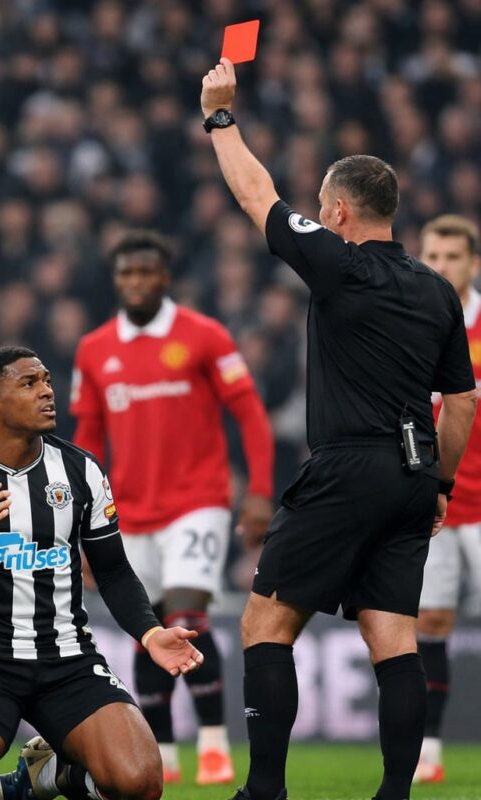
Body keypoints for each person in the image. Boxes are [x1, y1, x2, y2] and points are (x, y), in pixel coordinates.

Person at [199, 60, 477, 800]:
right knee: (393, 638)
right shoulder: (438, 291)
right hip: (415, 478)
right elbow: (464, 403)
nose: (319, 219)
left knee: (266, 622)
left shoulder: (339, 265)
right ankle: (394, 794)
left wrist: (220, 117)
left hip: (348, 467)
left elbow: (256, 194)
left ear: (342, 213)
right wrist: (442, 485)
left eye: (324, 210)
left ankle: (264, 789)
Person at [0, 345, 204, 800]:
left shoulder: (81, 470)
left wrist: (151, 633)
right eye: (29, 383)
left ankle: (52, 775)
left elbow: (114, 573)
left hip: (67, 660)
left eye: (46, 382)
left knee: (140, 783)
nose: (46, 392)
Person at [69, 229, 275, 785]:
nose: (135, 282)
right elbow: (87, 436)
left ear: (165, 278)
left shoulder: (204, 336)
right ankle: (161, 748)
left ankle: (211, 741)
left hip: (196, 502)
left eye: (145, 273)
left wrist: (259, 490)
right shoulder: (93, 349)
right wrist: (80, 523)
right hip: (128, 512)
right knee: (149, 625)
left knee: (186, 614)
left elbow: (250, 413)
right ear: (116, 281)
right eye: (125, 274)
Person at [414, 215, 481, 784]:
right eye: (433, 254)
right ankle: (429, 751)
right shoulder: (410, 321)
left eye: (454, 256)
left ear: (473, 263)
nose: (442, 265)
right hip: (435, 503)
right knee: (431, 620)